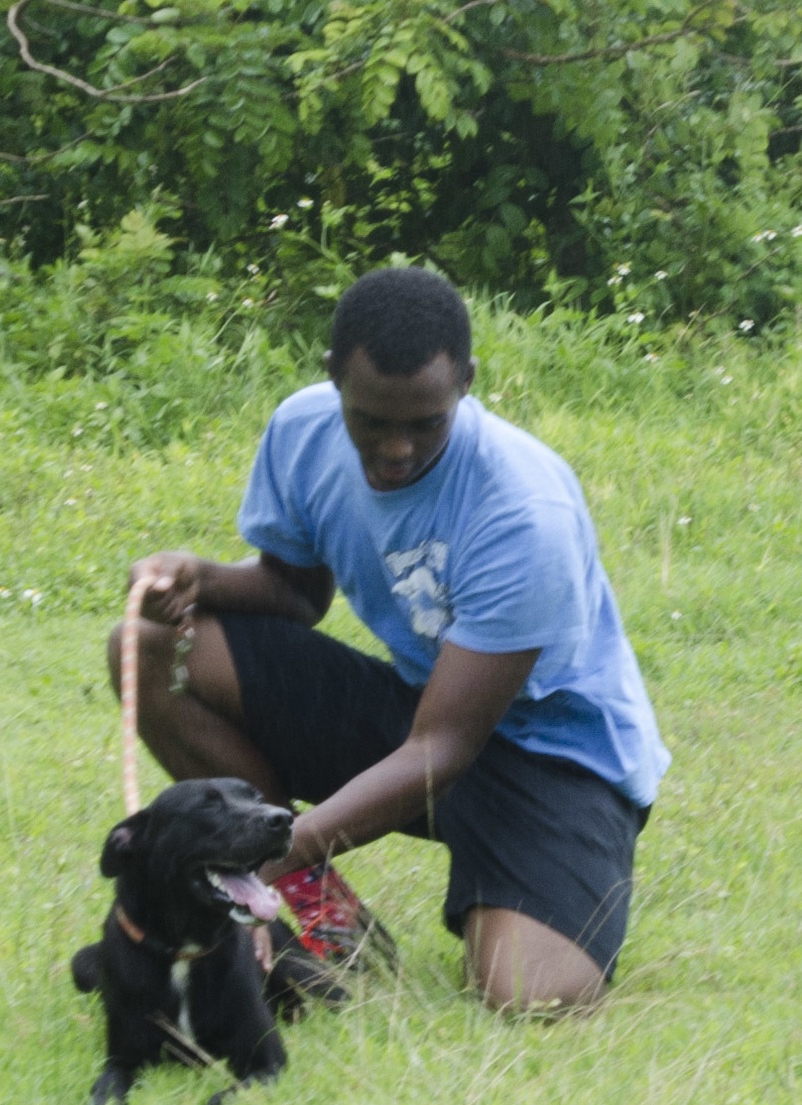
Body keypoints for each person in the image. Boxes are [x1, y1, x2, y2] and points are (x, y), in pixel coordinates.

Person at [109, 266, 670, 1013]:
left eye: (426, 423)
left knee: (534, 996)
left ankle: (283, 885)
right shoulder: (304, 430)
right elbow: (292, 593)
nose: (397, 449)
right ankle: (325, 929)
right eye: (372, 421)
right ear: (334, 377)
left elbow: (444, 750)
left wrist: (278, 850)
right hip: (422, 710)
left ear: (467, 383)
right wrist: (195, 579)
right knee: (145, 648)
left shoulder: (524, 513)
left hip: (554, 760)